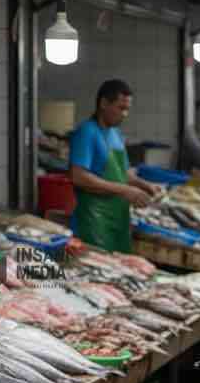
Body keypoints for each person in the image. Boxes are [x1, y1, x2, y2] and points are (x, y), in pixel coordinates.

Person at [69, 79, 160, 253]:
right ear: (103, 103)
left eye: (127, 109)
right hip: (93, 221)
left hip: (118, 219)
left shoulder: (116, 134)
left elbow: (123, 174)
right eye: (121, 108)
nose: (125, 114)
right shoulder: (87, 132)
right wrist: (125, 191)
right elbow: (78, 177)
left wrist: (145, 185)